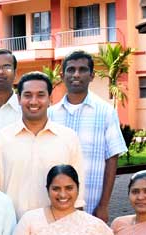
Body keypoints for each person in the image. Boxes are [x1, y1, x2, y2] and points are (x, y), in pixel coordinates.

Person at [0, 71, 85, 218]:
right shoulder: (0, 140)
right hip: (12, 226)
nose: (33, 101)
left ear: (50, 98)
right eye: (27, 95)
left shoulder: (68, 138)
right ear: (19, 99)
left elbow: (78, 194)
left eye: (40, 95)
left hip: (56, 226)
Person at [48, 51, 127, 221]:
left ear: (91, 76)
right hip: (54, 207)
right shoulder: (50, 115)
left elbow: (112, 159)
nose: (76, 74)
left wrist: (103, 205)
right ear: (62, 75)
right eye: (71, 70)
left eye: (82, 69)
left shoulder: (106, 112)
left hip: (91, 206)